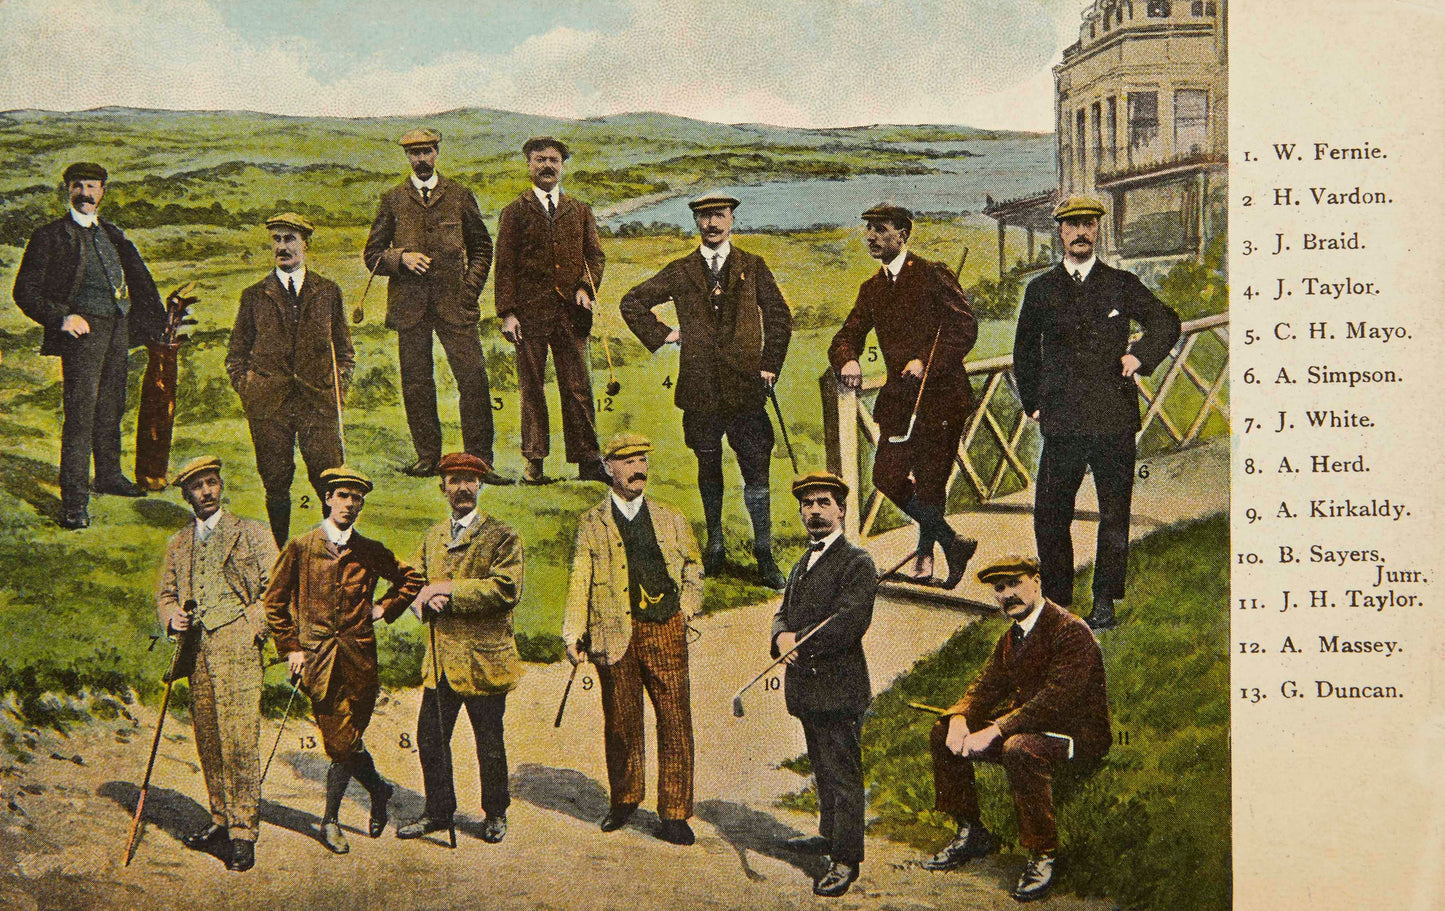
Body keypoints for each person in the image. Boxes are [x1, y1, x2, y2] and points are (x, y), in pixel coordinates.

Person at [1013, 196, 1181, 629]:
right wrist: (1033, 402)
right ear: (1060, 232)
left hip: (1112, 418)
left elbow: (1166, 322)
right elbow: (1025, 351)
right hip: (1063, 420)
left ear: (1098, 229)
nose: (1081, 232)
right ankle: (1057, 601)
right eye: (1072, 225)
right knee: (1050, 515)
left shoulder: (1121, 283)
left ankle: (1105, 599)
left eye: (1088, 224)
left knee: (1114, 513)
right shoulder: (1040, 290)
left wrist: (1140, 356)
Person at [619, 193, 792, 588]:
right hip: (701, 390)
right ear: (696, 222)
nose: (712, 224)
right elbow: (632, 302)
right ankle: (715, 546)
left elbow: (779, 316)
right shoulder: (681, 270)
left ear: (731, 219)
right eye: (704, 217)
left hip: (746, 388)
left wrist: (769, 365)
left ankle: (764, 553)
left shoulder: (753, 266)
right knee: (707, 464)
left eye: (719, 215)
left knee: (756, 467)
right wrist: (665, 334)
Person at [920, 554, 1110, 903]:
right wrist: (959, 717)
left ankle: (1042, 853)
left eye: (1015, 583)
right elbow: (985, 686)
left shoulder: (1070, 631)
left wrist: (996, 729)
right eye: (999, 588)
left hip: (1076, 735)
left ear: (1037, 582)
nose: (1007, 594)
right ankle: (971, 830)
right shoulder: (1012, 638)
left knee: (1018, 748)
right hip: (1030, 726)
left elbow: (1055, 700)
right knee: (942, 731)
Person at [261, 467, 424, 855]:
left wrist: (384, 607)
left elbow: (412, 580)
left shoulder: (369, 550)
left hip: (361, 661)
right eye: (343, 496)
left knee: (349, 741)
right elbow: (274, 602)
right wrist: (291, 648)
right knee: (340, 743)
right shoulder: (301, 547)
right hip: (317, 663)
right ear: (328, 499)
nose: (350, 504)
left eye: (357, 498)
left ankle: (376, 792)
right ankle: (337, 816)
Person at [562, 433, 703, 845]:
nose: (638, 469)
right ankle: (624, 799)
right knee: (621, 721)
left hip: (665, 629)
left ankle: (674, 814)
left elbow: (693, 567)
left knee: (675, 720)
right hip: (613, 632)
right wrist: (573, 632)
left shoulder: (671, 517)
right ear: (608, 468)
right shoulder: (592, 523)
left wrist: (686, 609)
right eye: (627, 461)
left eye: (642, 460)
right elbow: (580, 580)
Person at [828, 204, 979, 588]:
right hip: (899, 402)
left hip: (942, 398)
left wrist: (927, 362)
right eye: (868, 229)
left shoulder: (932, 274)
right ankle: (952, 542)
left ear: (903, 234)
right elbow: (846, 335)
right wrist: (848, 360)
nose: (871, 237)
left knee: (931, 481)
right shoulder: (871, 289)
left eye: (880, 229)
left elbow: (964, 328)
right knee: (886, 476)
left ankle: (926, 559)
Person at [12, 161, 165, 529]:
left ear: (103, 192)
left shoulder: (111, 233)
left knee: (111, 406)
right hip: (82, 335)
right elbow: (24, 291)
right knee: (81, 415)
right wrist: (62, 317)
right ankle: (74, 500)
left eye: (92, 186)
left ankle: (108, 476)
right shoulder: (50, 236)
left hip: (118, 329)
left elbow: (138, 280)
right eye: (78, 185)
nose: (85, 193)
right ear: (68, 190)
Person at [154, 456, 278, 872]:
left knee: (239, 739)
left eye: (211, 482)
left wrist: (252, 626)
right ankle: (221, 819)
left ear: (221, 485)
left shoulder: (252, 532)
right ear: (186, 495)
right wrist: (172, 618)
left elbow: (277, 589)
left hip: (239, 647)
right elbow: (166, 595)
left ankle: (244, 833)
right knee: (208, 737)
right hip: (197, 652)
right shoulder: (178, 543)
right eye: (197, 486)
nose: (206, 492)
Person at [362, 128, 507, 482]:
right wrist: (401, 258)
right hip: (409, 307)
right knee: (416, 382)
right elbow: (372, 255)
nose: (421, 159)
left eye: (426, 151)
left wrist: (469, 289)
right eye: (414, 153)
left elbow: (482, 248)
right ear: (407, 157)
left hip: (455, 305)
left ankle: (480, 459)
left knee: (473, 379)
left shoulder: (459, 194)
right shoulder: (392, 199)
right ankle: (427, 457)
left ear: (437, 152)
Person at [398, 452, 523, 844]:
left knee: (489, 741)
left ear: (480, 485)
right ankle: (438, 811)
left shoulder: (502, 535)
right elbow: (411, 579)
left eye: (470, 480)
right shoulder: (433, 536)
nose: (463, 488)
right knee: (430, 738)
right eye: (455, 481)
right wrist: (422, 598)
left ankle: (495, 812)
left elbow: (505, 589)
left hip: (483, 660)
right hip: (441, 660)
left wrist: (447, 590)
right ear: (443, 488)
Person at [770, 471, 877, 898]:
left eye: (823, 503)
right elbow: (782, 612)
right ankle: (828, 834)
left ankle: (846, 859)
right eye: (807, 504)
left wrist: (798, 641)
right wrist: (780, 637)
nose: (814, 511)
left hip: (839, 688)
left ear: (842, 510)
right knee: (821, 765)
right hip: (806, 688)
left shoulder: (857, 563)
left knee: (843, 772)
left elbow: (849, 623)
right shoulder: (802, 562)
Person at [226, 213, 351, 548]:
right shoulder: (254, 296)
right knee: (276, 482)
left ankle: (335, 552)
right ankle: (279, 554)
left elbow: (344, 351)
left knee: (329, 481)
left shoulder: (328, 292)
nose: (282, 247)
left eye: (290, 239)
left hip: (318, 403)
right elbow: (236, 355)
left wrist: (338, 388)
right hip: (269, 406)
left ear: (305, 244)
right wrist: (249, 388)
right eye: (277, 240)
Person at [494, 136, 608, 485]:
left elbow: (595, 257)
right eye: (540, 159)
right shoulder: (514, 211)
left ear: (562, 166)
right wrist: (508, 313)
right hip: (529, 316)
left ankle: (588, 462)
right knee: (532, 388)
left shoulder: (580, 210)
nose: (547, 165)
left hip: (571, 315)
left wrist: (585, 289)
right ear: (528, 164)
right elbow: (504, 266)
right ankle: (534, 463)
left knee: (578, 387)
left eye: (553, 160)